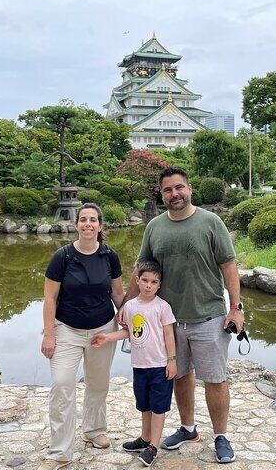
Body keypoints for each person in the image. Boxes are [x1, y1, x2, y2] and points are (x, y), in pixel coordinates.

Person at [124, 167, 245, 464]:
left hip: (209, 316)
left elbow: (229, 266)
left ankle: (220, 436)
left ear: (189, 189)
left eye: (179, 188)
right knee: (179, 375)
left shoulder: (210, 222)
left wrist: (235, 308)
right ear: (161, 194)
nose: (174, 194)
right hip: (168, 321)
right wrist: (125, 309)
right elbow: (140, 270)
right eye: (168, 190)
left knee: (215, 379)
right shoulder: (154, 227)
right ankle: (188, 428)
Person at [40, 203, 125, 470]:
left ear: (100, 226)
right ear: (76, 225)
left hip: (103, 328)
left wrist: (131, 319)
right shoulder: (62, 257)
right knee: (62, 384)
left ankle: (93, 429)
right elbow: (49, 298)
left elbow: (118, 295)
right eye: (83, 220)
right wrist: (49, 334)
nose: (88, 224)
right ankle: (60, 451)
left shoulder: (109, 256)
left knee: (98, 383)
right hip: (67, 328)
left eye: (93, 220)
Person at [91, 259, 177, 467]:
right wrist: (107, 338)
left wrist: (172, 361)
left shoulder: (162, 307)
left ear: (159, 285)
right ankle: (144, 438)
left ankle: (153, 446)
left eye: (154, 282)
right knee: (144, 405)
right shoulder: (130, 306)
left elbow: (169, 334)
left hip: (159, 366)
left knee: (158, 408)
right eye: (145, 280)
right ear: (137, 281)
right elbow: (127, 332)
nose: (149, 285)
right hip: (139, 366)